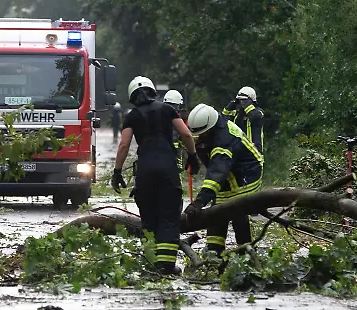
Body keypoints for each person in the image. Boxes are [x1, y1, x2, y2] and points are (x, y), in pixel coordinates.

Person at [112, 77, 199, 275]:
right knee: (169, 218)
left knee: (149, 220)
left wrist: (117, 172)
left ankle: (151, 264)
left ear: (132, 96)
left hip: (144, 173)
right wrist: (193, 156)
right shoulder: (167, 110)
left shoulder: (132, 116)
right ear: (153, 91)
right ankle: (167, 267)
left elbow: (124, 145)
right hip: (167, 170)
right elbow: (185, 134)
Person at [184, 103, 264, 258]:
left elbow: (216, 174)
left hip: (247, 174)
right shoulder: (212, 125)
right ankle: (214, 250)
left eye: (202, 134)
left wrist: (199, 202)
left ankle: (245, 251)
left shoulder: (224, 142)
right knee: (218, 208)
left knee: (237, 209)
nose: (199, 138)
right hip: (230, 171)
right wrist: (192, 156)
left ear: (210, 128)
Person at [221, 86, 265, 155]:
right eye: (240, 100)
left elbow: (254, 117)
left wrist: (247, 106)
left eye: (244, 100)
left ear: (252, 100)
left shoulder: (258, 112)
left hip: (255, 151)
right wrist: (234, 102)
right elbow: (224, 116)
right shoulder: (238, 114)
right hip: (239, 151)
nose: (242, 102)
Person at [163, 89, 186, 172]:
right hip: (174, 152)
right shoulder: (175, 117)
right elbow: (184, 134)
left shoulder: (159, 114)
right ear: (177, 104)